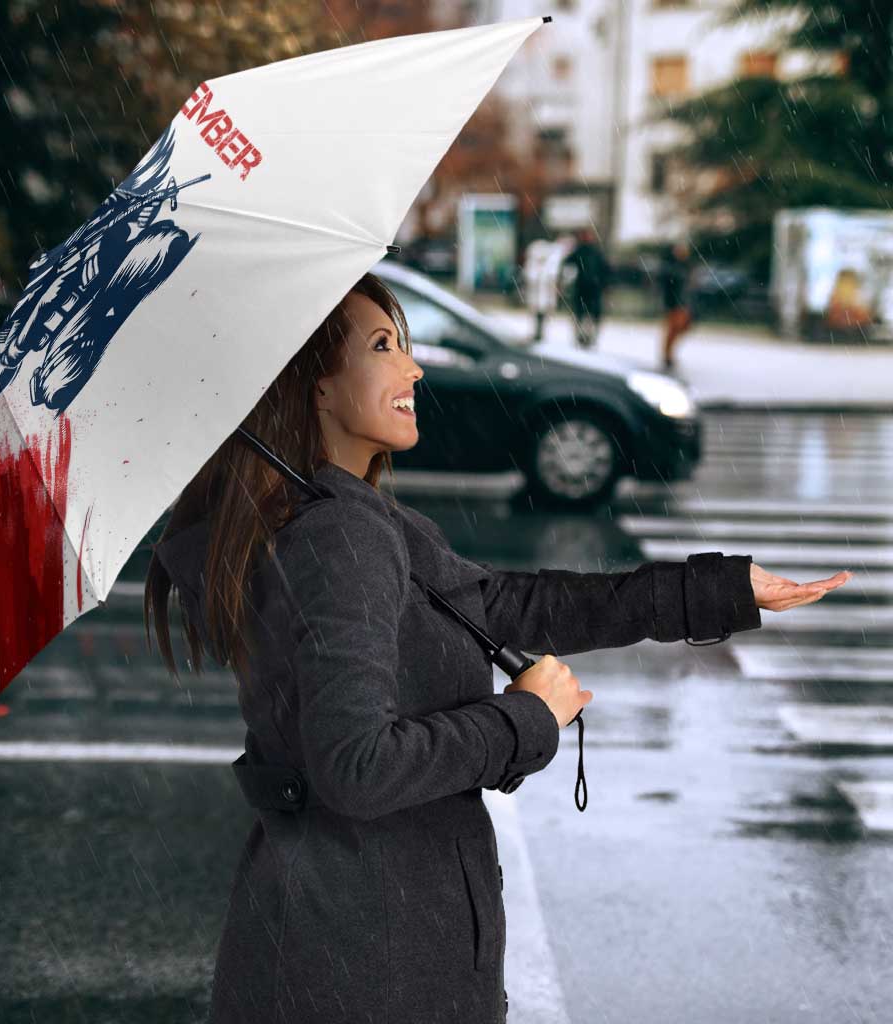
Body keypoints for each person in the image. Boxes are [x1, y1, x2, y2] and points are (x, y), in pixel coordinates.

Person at [143, 271, 848, 1024]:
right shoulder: (338, 537)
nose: (413, 368)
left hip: (348, 943)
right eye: (383, 346)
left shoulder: (345, 518)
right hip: (367, 962)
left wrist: (719, 591)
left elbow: (509, 605)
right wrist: (524, 719)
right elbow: (356, 767)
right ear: (313, 385)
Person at [561, 226, 611, 349]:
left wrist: (604, 284)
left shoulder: (594, 252)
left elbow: (605, 270)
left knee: (589, 315)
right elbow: (567, 264)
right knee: (582, 314)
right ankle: (582, 337)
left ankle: (588, 337)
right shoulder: (581, 251)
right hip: (584, 288)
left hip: (592, 288)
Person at [659, 239, 695, 370]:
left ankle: (668, 354)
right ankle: (667, 355)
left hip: (683, 303)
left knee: (681, 328)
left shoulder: (686, 266)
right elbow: (668, 286)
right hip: (674, 303)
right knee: (673, 329)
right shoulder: (671, 267)